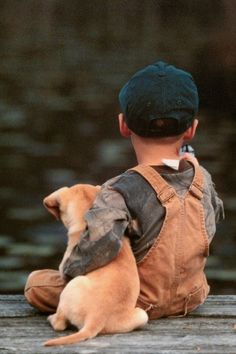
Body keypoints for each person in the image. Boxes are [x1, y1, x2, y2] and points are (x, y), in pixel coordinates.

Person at [25, 61, 224, 319]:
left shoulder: (119, 190)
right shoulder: (203, 179)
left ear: (123, 125)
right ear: (191, 129)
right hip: (192, 296)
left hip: (134, 300)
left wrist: (72, 272)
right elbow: (211, 222)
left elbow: (99, 247)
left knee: (37, 285)